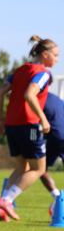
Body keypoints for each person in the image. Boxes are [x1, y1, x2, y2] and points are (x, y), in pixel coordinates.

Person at [0, 35, 59, 222]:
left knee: (22, 167)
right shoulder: (43, 73)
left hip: (11, 125)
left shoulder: (21, 69)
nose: (57, 59)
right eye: (55, 55)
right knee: (39, 169)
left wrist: (0, 118)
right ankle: (6, 201)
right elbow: (30, 94)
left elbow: (0, 92)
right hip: (28, 125)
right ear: (45, 54)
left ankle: (1, 208)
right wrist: (43, 118)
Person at [39, 79, 64, 216]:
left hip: (55, 136)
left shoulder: (36, 99)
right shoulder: (57, 99)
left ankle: (58, 197)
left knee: (39, 169)